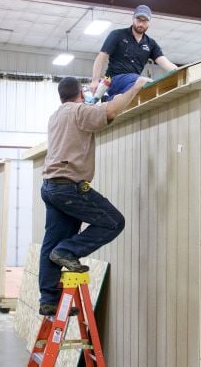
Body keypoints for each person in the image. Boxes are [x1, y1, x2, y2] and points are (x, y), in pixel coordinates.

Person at [38, 75, 150, 316]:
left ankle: (48, 300)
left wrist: (94, 97)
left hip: (50, 186)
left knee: (51, 241)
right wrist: (137, 87)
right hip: (69, 187)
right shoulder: (79, 111)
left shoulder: (56, 115)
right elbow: (110, 111)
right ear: (79, 93)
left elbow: (91, 109)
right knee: (113, 222)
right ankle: (67, 251)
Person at [90, 5, 178, 101]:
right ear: (133, 19)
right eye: (138, 20)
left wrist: (182, 72)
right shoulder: (117, 35)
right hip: (113, 79)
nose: (141, 24)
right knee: (143, 81)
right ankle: (112, 98)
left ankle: (111, 100)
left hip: (132, 84)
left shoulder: (151, 44)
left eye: (144, 21)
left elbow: (166, 63)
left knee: (144, 87)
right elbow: (101, 57)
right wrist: (94, 80)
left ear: (149, 22)